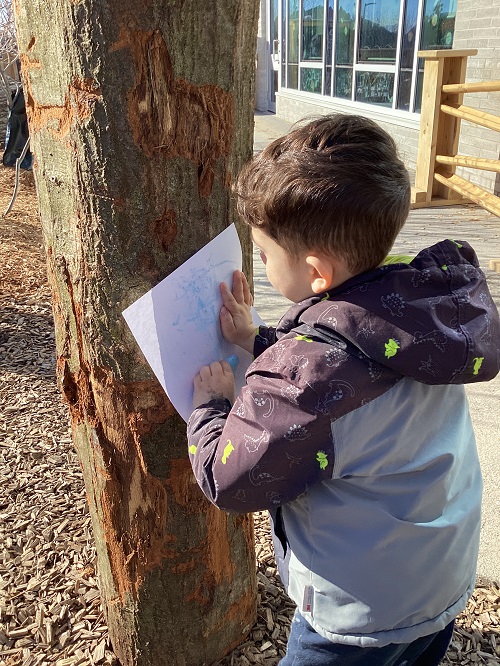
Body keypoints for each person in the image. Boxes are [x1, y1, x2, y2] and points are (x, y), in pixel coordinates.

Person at [186, 114, 500, 665]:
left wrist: (211, 406)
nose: (258, 262)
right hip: (438, 579)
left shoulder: (308, 381)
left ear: (315, 272)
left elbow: (228, 479)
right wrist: (262, 339)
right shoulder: (421, 311)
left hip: (363, 614)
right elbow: (354, 346)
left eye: (262, 252)